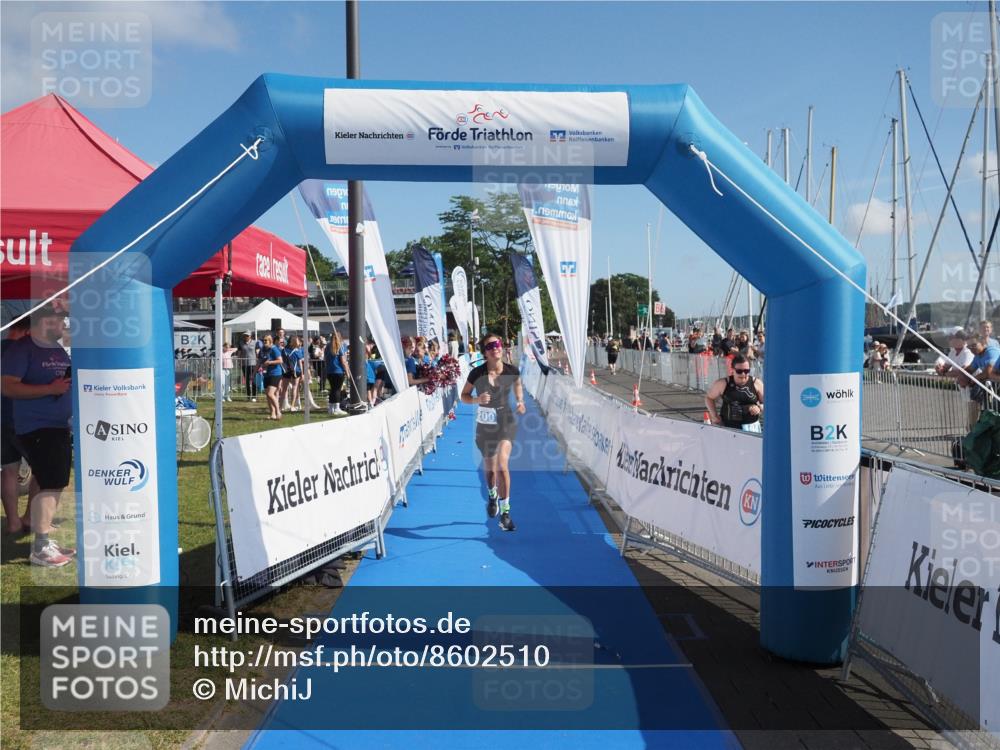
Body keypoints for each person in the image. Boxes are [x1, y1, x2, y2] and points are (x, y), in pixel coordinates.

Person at [0, 305, 74, 566]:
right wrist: (49, 388)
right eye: (57, 320)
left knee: (52, 481)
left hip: (58, 425)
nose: (62, 325)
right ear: (42, 322)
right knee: (49, 481)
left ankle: (44, 537)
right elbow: (7, 387)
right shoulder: (22, 349)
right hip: (37, 427)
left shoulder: (55, 350)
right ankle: (41, 546)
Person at [460, 333, 525, 532]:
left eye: (498, 343)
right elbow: (463, 396)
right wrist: (476, 400)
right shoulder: (477, 374)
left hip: (505, 421)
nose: (495, 347)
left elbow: (517, 385)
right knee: (490, 469)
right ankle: (492, 495)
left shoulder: (512, 370)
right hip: (485, 426)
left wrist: (520, 401)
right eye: (490, 346)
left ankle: (506, 513)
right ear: (485, 353)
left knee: (502, 465)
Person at [1, 317, 32, 536]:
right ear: (28, 331)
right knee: (43, 470)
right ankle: (31, 518)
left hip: (1, 419)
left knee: (8, 471)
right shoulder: (26, 352)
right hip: (24, 418)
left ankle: (13, 522)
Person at [704, 354, 764, 430]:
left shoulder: (756, 383)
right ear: (732, 370)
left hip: (751, 427)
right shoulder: (723, 383)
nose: (743, 374)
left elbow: (768, 404)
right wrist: (714, 416)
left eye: (746, 371)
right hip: (729, 427)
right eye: (739, 371)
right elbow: (709, 398)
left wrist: (759, 407)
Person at [260, 334, 285, 420]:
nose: (264, 342)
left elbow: (280, 360)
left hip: (275, 373)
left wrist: (269, 363)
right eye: (263, 340)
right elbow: (259, 361)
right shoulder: (262, 349)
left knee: (271, 393)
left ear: (270, 341)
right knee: (267, 395)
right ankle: (272, 414)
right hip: (266, 374)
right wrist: (254, 372)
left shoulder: (274, 349)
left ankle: (278, 412)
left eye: (265, 340)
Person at [325, 331, 348, 416]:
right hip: (338, 371)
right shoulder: (341, 346)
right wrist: (347, 372)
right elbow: (343, 361)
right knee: (337, 390)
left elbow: (325, 359)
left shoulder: (327, 346)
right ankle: (337, 408)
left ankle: (331, 408)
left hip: (330, 371)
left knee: (333, 389)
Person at [285, 335, 305, 411]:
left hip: (286, 371)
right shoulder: (297, 351)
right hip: (296, 371)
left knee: (285, 389)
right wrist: (302, 374)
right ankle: (293, 405)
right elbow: (300, 363)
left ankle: (285, 405)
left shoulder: (285, 350)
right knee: (295, 387)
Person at [239, 332, 258, 401]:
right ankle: (248, 396)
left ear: (250, 336)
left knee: (253, 380)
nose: (246, 337)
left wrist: (259, 362)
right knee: (246, 380)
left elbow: (257, 352)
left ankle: (254, 396)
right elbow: (239, 353)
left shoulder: (255, 342)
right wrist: (239, 362)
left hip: (253, 364)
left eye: (247, 336)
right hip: (245, 364)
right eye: (245, 336)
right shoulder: (241, 343)